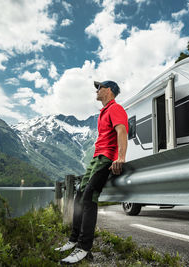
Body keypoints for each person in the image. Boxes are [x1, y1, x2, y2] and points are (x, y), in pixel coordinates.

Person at [55, 80, 128, 264]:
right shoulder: (103, 112)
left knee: (89, 197)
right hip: (96, 159)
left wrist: (120, 158)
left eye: (99, 87)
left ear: (109, 90)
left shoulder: (115, 108)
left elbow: (122, 131)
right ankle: (73, 240)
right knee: (79, 197)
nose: (96, 90)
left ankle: (84, 247)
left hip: (106, 159)